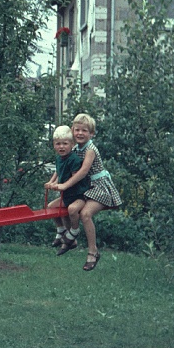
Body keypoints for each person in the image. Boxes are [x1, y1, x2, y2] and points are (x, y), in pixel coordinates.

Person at [53, 113, 122, 271]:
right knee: (60, 207)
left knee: (85, 214)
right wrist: (55, 182)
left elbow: (83, 172)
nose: (80, 133)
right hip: (84, 187)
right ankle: (71, 238)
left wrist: (64, 186)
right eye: (77, 130)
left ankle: (93, 252)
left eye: (84, 130)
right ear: (72, 130)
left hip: (98, 187)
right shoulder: (75, 148)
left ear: (91, 134)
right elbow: (63, 166)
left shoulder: (90, 149)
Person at [44, 125, 90, 256]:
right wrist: (51, 182)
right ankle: (61, 230)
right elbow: (58, 172)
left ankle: (74, 231)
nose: (61, 147)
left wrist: (62, 185)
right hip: (67, 196)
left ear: (72, 144)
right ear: (54, 145)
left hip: (79, 195)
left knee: (72, 210)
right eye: (58, 144)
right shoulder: (59, 158)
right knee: (51, 208)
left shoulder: (74, 159)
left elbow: (76, 178)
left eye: (65, 144)